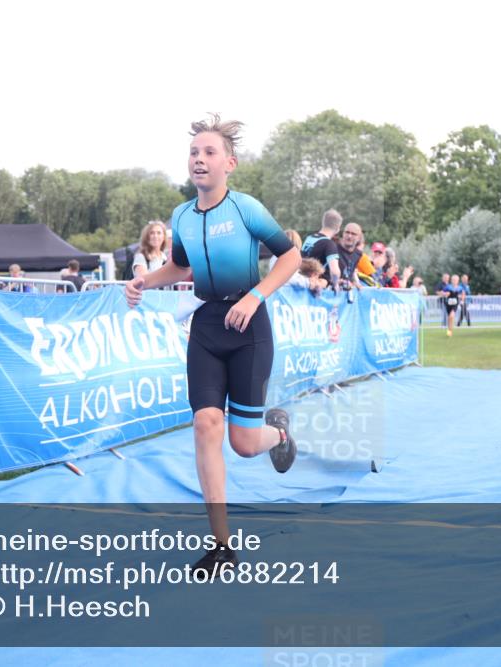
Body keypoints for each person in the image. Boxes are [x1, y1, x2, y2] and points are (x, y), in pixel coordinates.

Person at [125, 114, 301, 574]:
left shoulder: (246, 209)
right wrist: (145, 281)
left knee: (244, 444)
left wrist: (255, 295)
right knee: (206, 424)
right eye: (194, 152)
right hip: (206, 326)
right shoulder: (181, 216)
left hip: (249, 327)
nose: (199, 159)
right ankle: (221, 546)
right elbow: (182, 270)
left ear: (230, 163)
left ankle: (278, 433)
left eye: (209, 152)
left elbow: (291, 255)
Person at [301, 210, 343, 289]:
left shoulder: (309, 238)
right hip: (314, 286)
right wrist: (335, 284)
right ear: (338, 228)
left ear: (323, 223)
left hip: (301, 281)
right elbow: (335, 272)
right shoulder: (329, 244)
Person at [336, 222, 364, 289]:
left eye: (353, 234)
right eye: (347, 232)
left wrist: (355, 282)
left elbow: (351, 272)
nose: (349, 236)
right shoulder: (333, 249)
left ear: (359, 238)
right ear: (343, 233)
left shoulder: (358, 254)